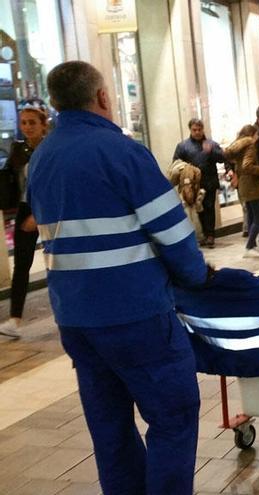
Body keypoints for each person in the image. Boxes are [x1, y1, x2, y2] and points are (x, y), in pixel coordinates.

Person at [28, 61, 207, 494]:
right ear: (104, 98)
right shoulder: (121, 151)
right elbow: (172, 232)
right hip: (136, 315)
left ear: (54, 103)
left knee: (110, 430)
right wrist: (196, 276)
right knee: (173, 416)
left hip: (76, 320)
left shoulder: (41, 159)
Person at [0, 101, 49, 339]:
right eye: (24, 123)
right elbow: (12, 180)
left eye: (32, 123)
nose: (27, 127)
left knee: (57, 262)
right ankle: (15, 320)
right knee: (22, 265)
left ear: (43, 125)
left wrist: (39, 216)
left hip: (48, 208)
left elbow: (54, 184)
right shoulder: (18, 150)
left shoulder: (51, 149)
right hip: (23, 208)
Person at [172, 118, 225, 248]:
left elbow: (222, 158)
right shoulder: (183, 146)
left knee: (209, 208)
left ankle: (210, 235)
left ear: (203, 129)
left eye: (199, 130)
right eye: (194, 130)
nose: (197, 132)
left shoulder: (211, 144)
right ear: (190, 130)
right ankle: (201, 235)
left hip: (210, 183)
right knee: (197, 210)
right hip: (193, 185)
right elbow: (176, 163)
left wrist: (212, 151)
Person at [225, 125, 259, 258]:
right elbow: (247, 165)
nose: (258, 137)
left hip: (244, 185)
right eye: (256, 134)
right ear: (252, 134)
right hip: (252, 186)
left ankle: (252, 245)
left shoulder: (239, 146)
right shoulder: (250, 145)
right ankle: (249, 246)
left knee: (251, 216)